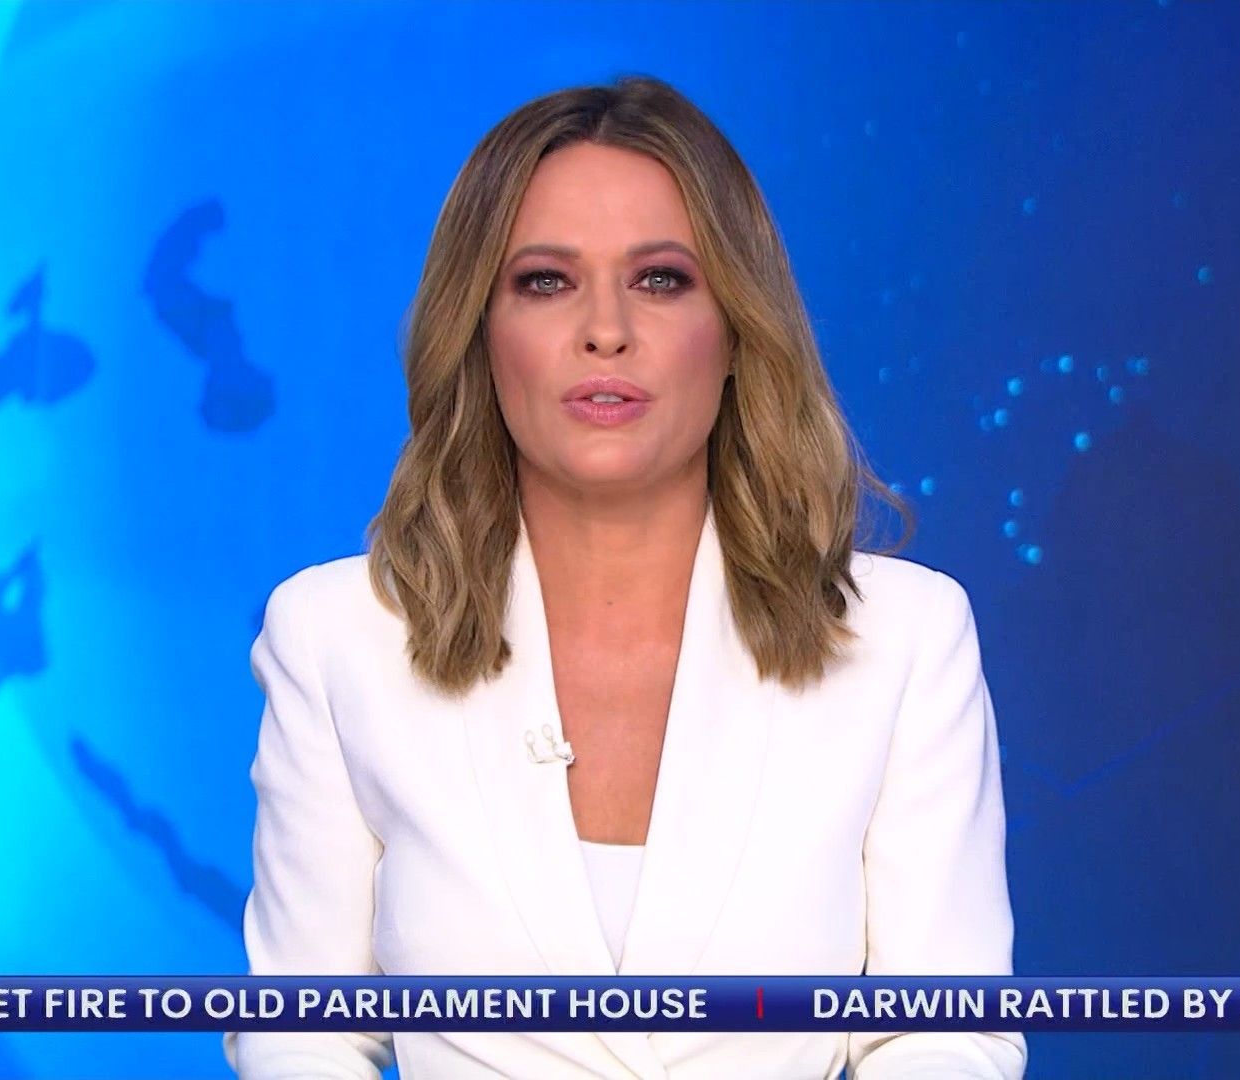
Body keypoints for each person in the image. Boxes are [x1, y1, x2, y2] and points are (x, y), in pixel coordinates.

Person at [225, 74, 1025, 1079]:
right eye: (545, 281)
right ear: (479, 332)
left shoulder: (906, 639)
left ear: (736, 330)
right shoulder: (336, 636)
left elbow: (943, 1030)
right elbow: (302, 1030)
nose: (605, 329)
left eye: (660, 279)